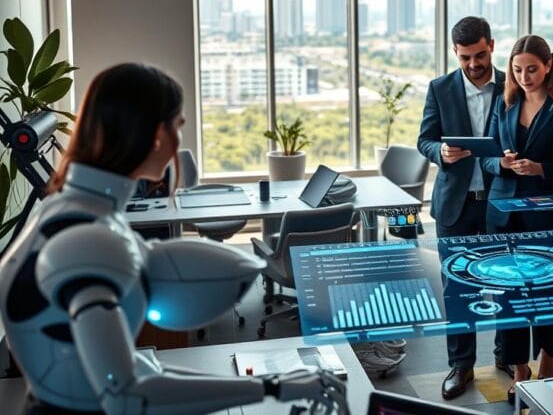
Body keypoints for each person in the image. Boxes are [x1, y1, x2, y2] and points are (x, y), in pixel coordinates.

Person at [0, 64, 346, 414]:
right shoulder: (88, 240)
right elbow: (127, 395)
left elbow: (135, 369)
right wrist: (273, 387)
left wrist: (275, 383)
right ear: (155, 134)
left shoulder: (62, 210)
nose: (178, 141)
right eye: (178, 126)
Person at [417, 16, 509, 400]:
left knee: (506, 283)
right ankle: (462, 365)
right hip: (455, 205)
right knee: (457, 289)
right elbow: (424, 140)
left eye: (481, 55)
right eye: (466, 57)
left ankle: (508, 356)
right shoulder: (439, 88)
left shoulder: (512, 83)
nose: (474, 64)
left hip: (500, 202)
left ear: (491, 44)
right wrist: (441, 151)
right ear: (455, 52)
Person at [480, 34, 553, 403]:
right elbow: (486, 157)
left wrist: (541, 168)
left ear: (548, 65)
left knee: (545, 292)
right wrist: (500, 163)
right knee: (508, 294)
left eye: (532, 69)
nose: (524, 76)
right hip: (501, 211)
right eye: (517, 70)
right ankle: (520, 368)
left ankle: (548, 359)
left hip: (544, 211)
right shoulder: (503, 104)